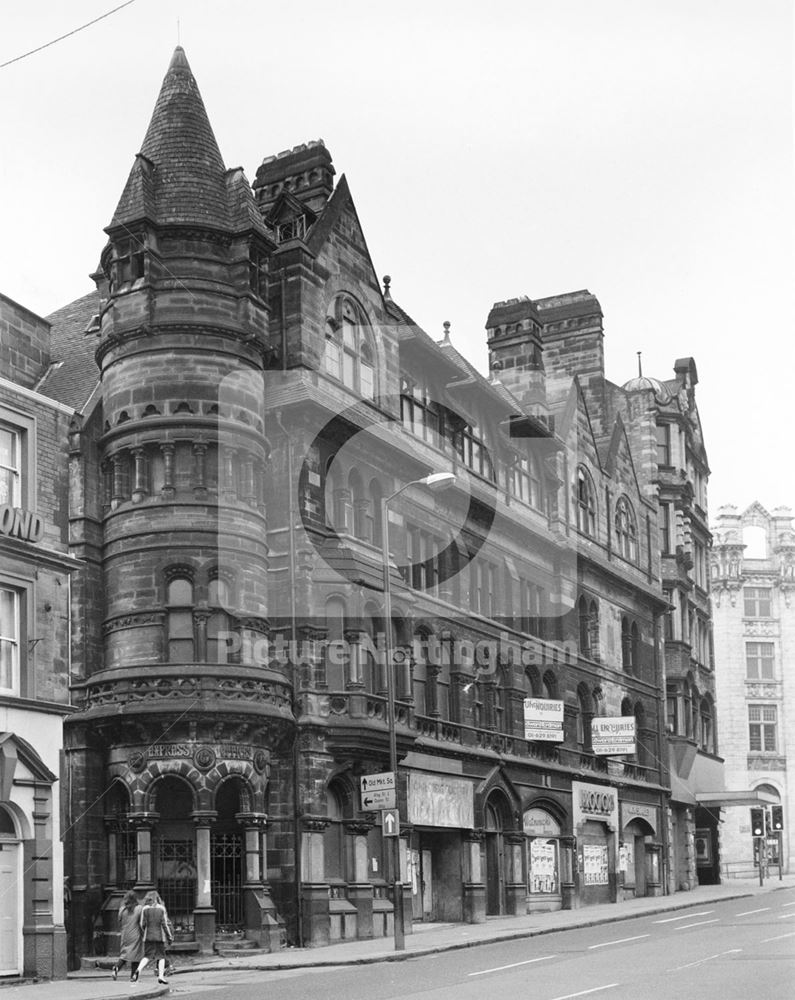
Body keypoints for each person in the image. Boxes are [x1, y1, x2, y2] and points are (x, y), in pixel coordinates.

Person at [134, 890, 173, 985]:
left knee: (147, 956)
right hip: (160, 936)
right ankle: (161, 977)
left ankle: (138, 970)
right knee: (161, 956)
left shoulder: (144, 909)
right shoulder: (161, 909)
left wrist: (145, 932)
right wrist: (169, 936)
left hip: (148, 936)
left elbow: (142, 924)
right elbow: (165, 924)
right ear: (157, 898)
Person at [113, 890, 143, 982]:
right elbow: (142, 923)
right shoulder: (138, 909)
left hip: (125, 935)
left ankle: (116, 968)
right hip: (135, 934)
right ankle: (133, 977)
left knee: (124, 955)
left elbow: (119, 920)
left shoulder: (122, 910)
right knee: (136, 956)